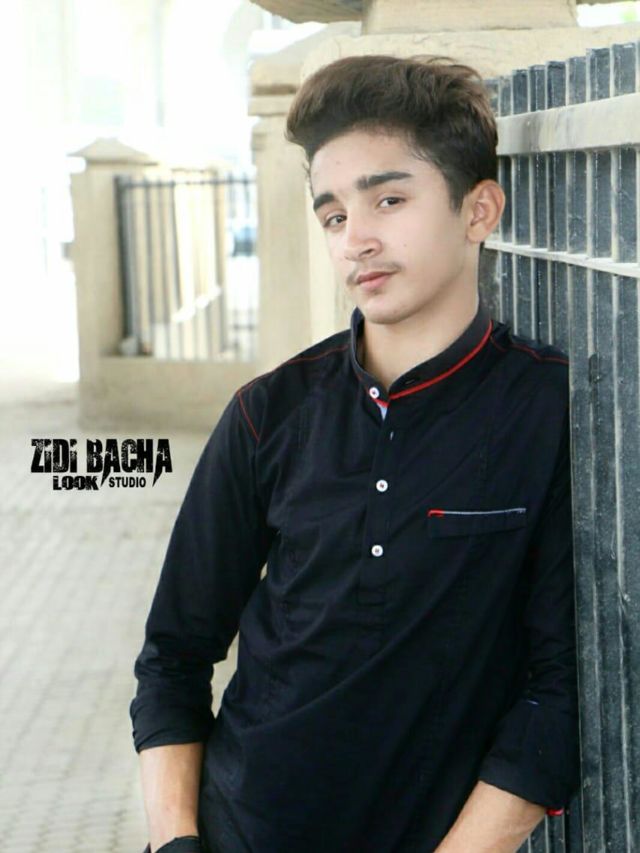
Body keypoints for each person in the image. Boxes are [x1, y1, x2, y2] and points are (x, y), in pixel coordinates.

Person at [129, 54, 581, 853]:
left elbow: (557, 696)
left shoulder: (545, 409)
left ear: (479, 210)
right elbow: (173, 656)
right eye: (334, 216)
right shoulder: (268, 414)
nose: (357, 239)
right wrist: (177, 843)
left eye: (389, 199)